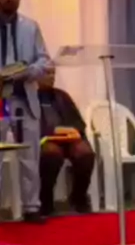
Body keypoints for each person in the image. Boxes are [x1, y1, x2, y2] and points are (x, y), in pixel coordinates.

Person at [0, 0, 50, 222]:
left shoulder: (31, 26)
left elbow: (44, 59)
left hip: (25, 98)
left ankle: (32, 207)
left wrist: (29, 71)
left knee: (30, 154)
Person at [38, 67, 95, 216]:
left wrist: (72, 130)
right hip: (43, 139)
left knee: (85, 153)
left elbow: (78, 122)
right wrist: (51, 131)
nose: (51, 77)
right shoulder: (28, 98)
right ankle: (45, 199)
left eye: (53, 73)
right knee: (52, 154)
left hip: (67, 139)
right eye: (47, 73)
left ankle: (79, 196)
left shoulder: (61, 96)